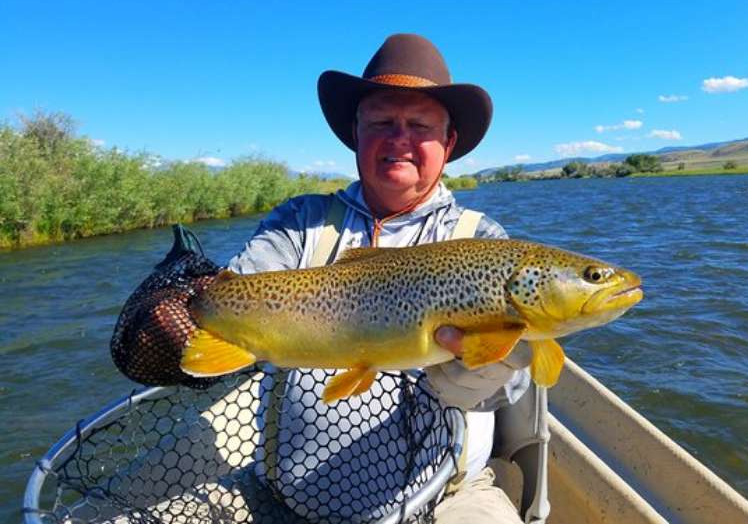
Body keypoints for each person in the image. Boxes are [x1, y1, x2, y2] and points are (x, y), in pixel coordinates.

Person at [117, 33, 532, 523]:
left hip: (444, 497)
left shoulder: (482, 242)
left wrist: (477, 369)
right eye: (381, 121)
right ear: (357, 132)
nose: (399, 138)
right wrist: (177, 317)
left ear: (449, 142)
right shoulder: (300, 221)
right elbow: (239, 286)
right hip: (281, 498)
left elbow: (507, 391)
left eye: (419, 124)